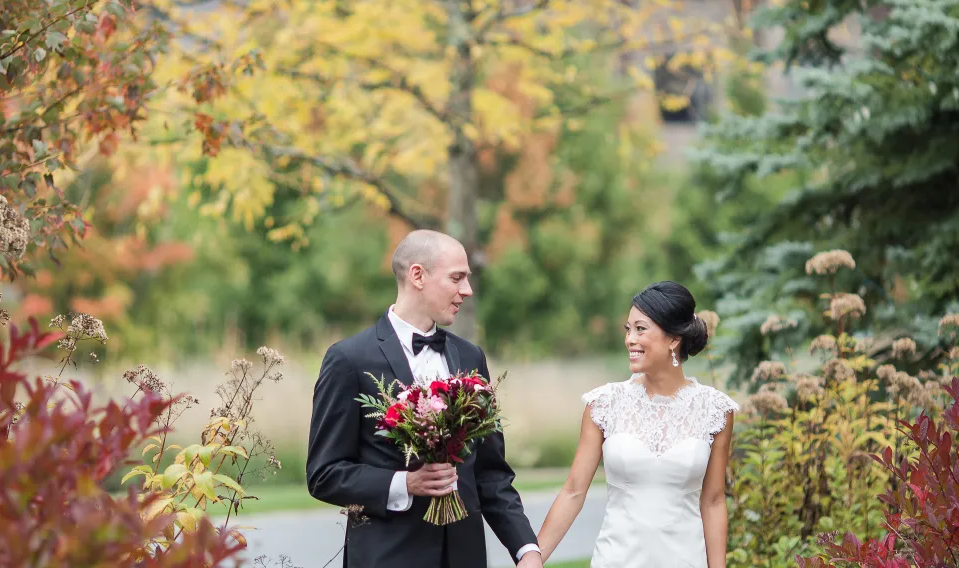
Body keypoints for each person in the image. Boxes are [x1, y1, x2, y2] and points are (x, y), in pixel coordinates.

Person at [306, 229, 542, 568]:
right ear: (418, 275)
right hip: (386, 557)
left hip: (465, 557)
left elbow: (490, 473)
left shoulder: (470, 357)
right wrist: (405, 483)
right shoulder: (349, 359)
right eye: (457, 278)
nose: (467, 291)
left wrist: (525, 549)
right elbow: (324, 473)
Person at [535, 281, 739, 568]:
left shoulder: (716, 410)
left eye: (641, 329)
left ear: (673, 339)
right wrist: (533, 558)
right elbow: (573, 491)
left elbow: (714, 501)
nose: (630, 339)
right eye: (628, 329)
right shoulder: (604, 404)